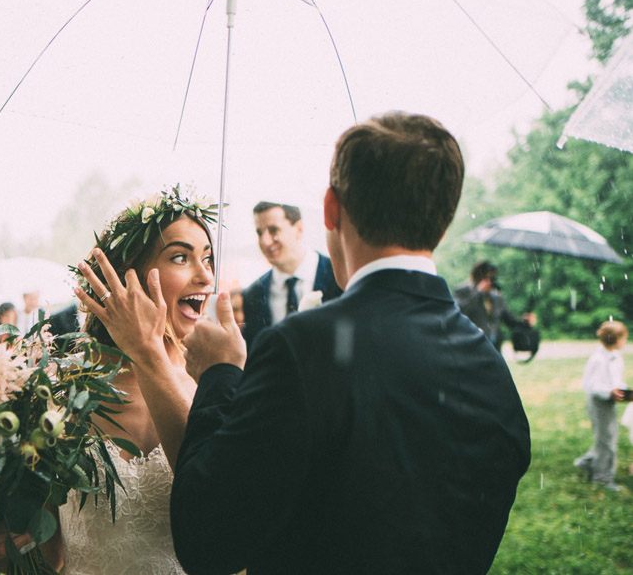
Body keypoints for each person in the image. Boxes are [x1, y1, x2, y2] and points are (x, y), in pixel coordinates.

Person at [94, 112, 531, 573]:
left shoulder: (303, 349)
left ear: (330, 209)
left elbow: (211, 540)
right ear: (441, 222)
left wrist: (220, 373)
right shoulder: (491, 371)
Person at [29, 186, 216, 574]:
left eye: (209, 260)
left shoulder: (216, 385)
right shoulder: (57, 391)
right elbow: (49, 553)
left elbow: (214, 502)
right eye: (181, 257)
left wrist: (148, 352)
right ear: (122, 276)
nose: (206, 277)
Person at [241, 201, 341, 347]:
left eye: (273, 230)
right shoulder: (253, 294)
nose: (265, 241)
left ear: (299, 229)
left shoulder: (338, 276)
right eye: (259, 232)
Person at [574, 320, 630, 491]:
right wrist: (609, 392)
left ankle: (587, 462)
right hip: (599, 404)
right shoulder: (599, 359)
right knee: (607, 440)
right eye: (624, 338)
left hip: (608, 402)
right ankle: (602, 478)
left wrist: (624, 391)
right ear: (616, 339)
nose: (625, 342)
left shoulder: (615, 357)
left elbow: (615, 380)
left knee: (606, 437)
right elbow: (594, 386)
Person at [453, 260, 534, 348]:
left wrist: (525, 322)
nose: (489, 282)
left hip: (494, 345)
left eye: (492, 278)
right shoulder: (463, 291)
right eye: (485, 278)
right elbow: (459, 312)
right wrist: (478, 292)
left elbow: (509, 321)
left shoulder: (496, 297)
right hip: (471, 344)